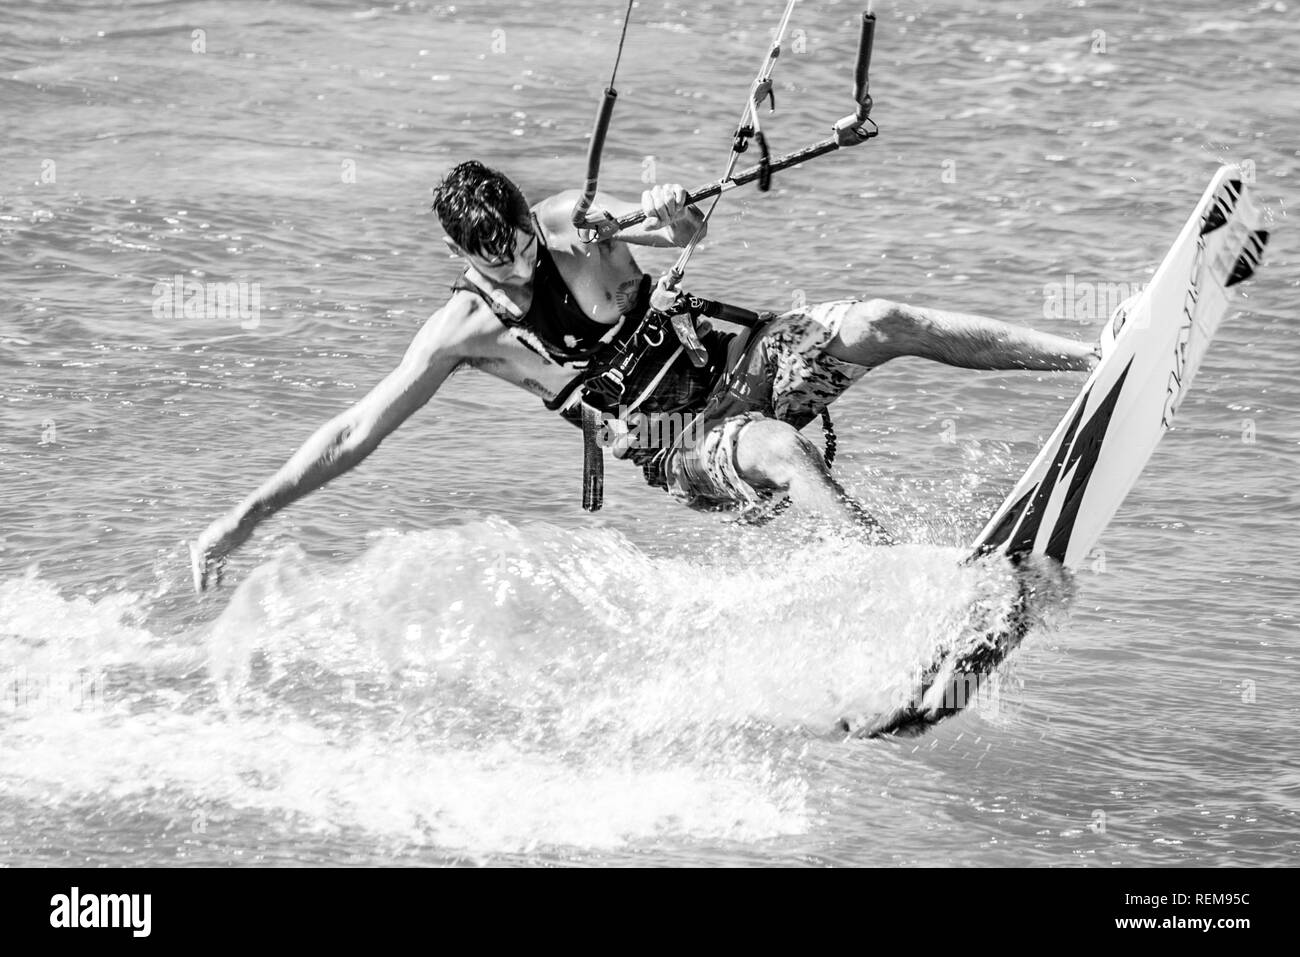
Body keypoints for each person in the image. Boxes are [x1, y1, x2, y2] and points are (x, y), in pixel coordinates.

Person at [189, 160, 1099, 591]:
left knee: (883, 320)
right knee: (780, 450)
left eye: (517, 239)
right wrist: (243, 516)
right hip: (677, 440)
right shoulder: (463, 330)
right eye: (496, 257)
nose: (518, 261)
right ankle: (905, 584)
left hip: (741, 360)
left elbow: (676, 233)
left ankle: (1091, 356)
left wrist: (665, 213)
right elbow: (354, 430)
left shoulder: (565, 224)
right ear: (461, 254)